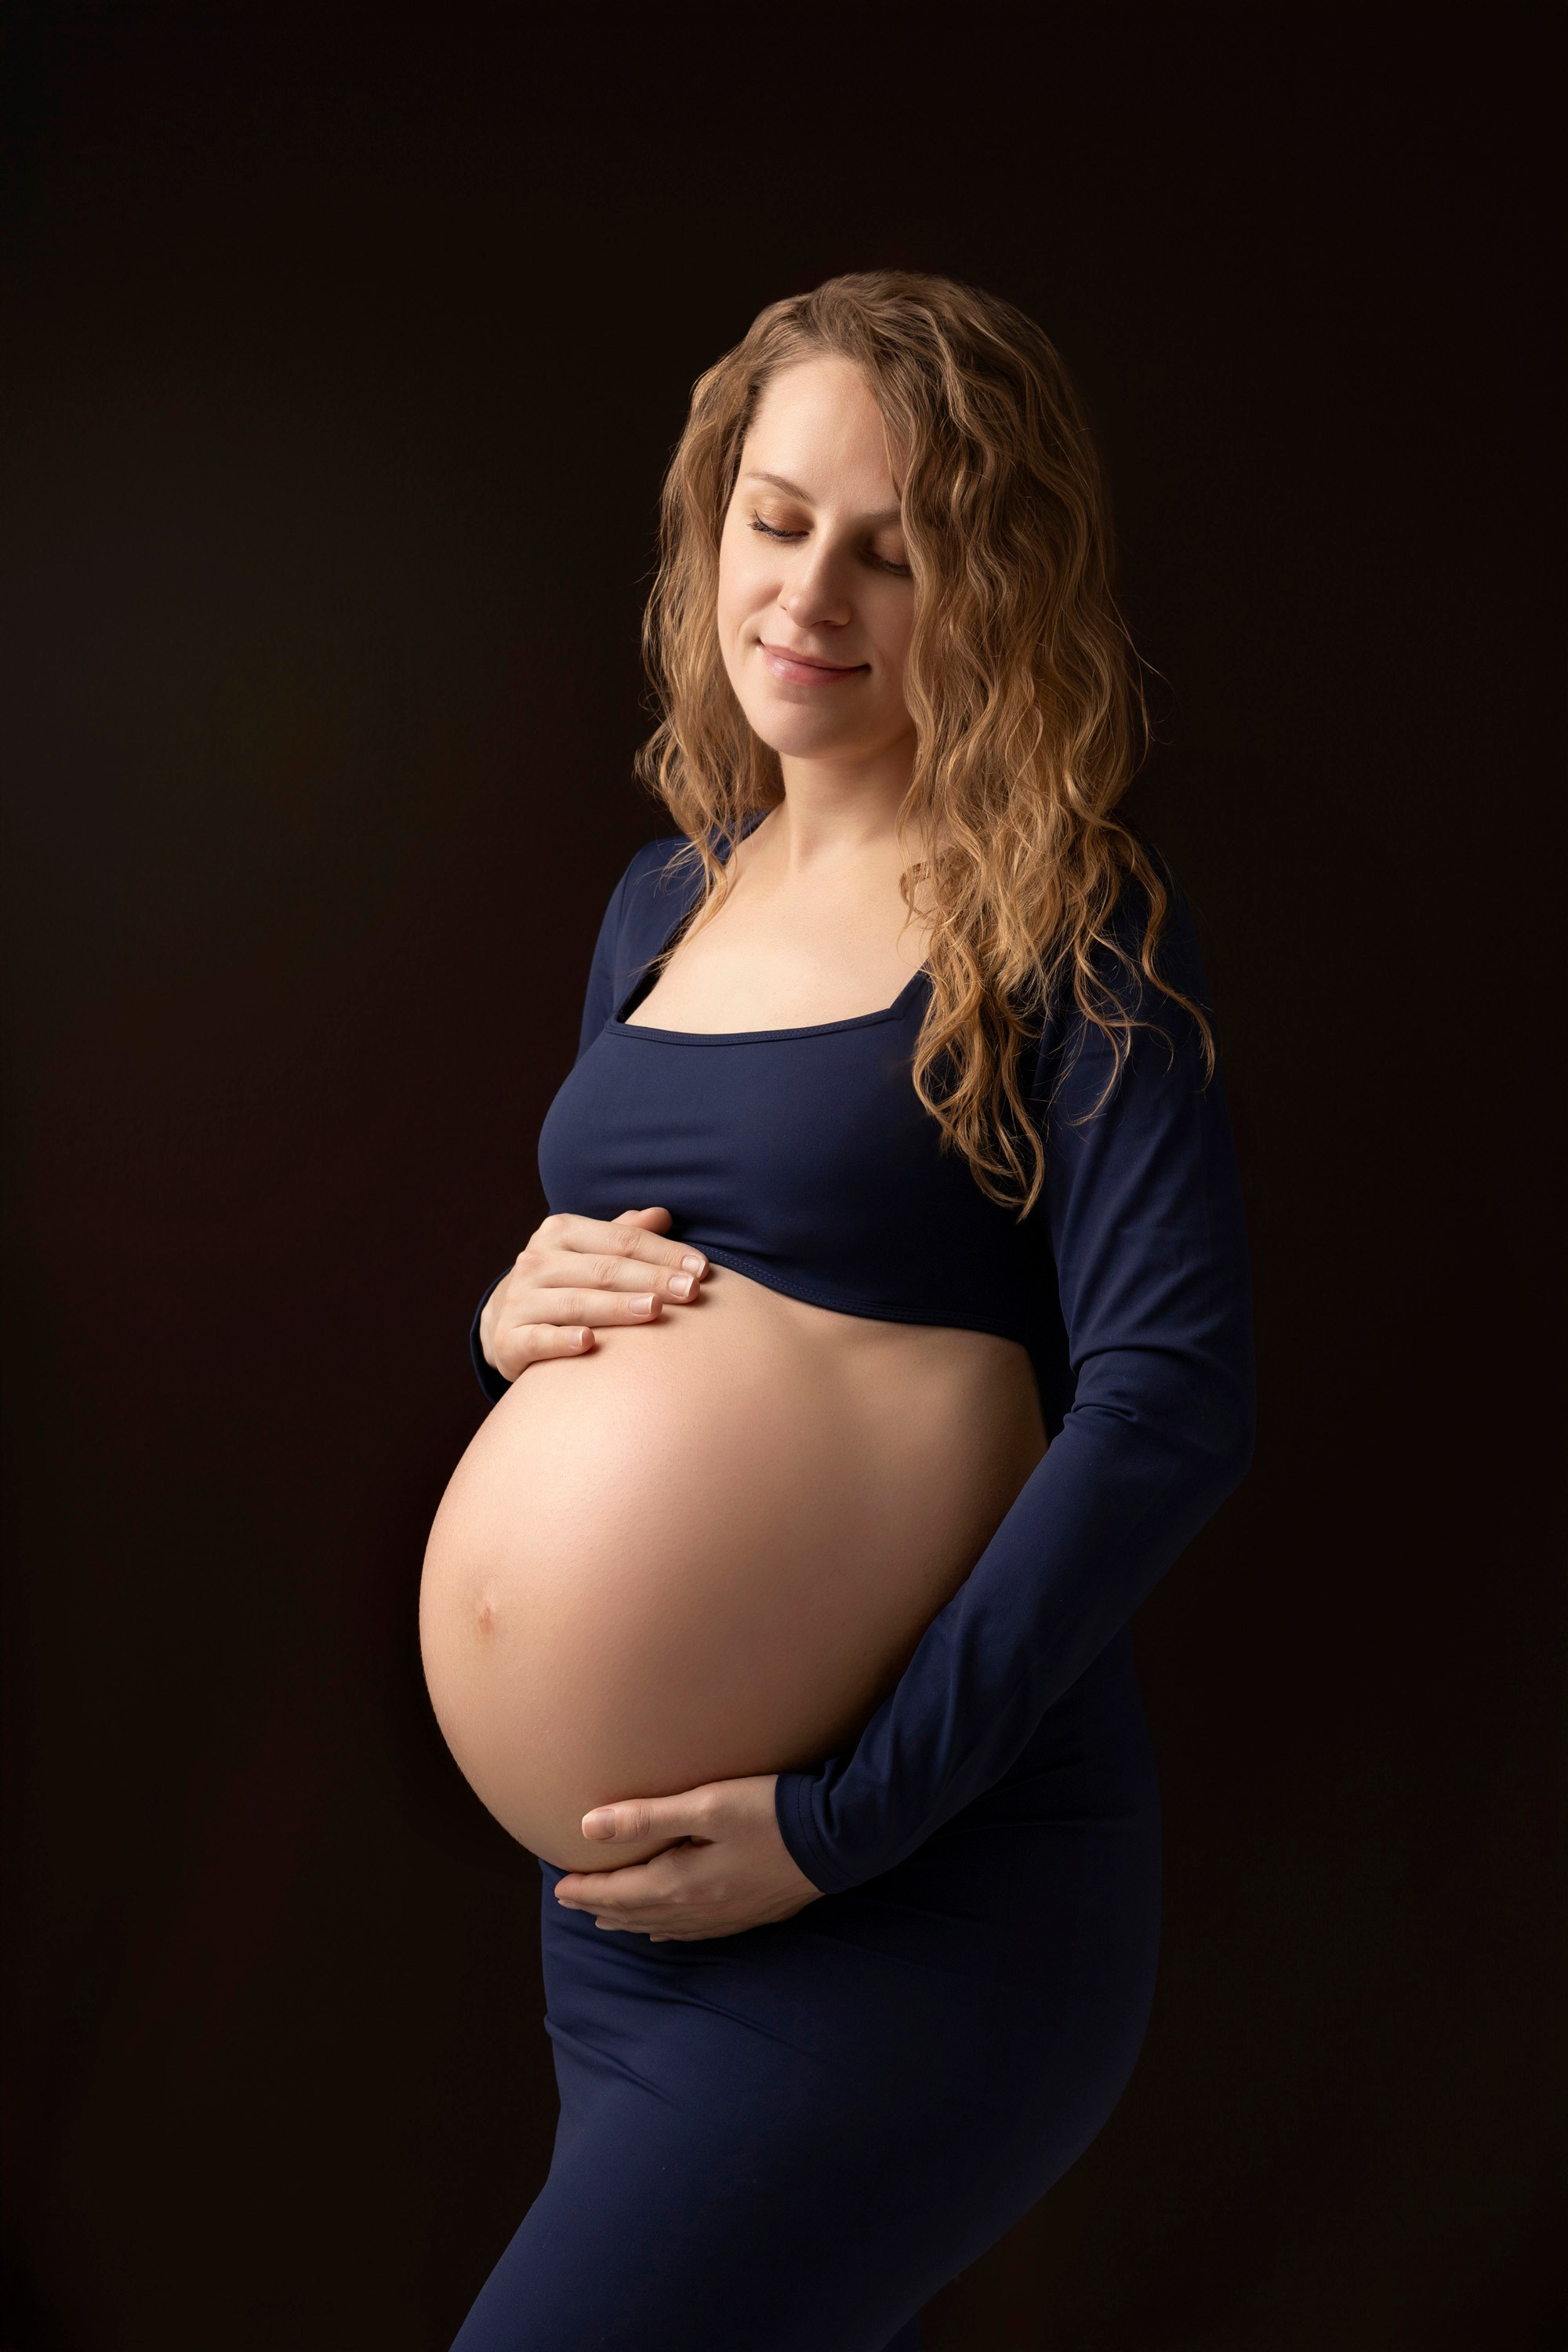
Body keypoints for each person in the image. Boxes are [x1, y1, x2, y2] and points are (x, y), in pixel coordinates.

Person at [445, 270, 1254, 2352]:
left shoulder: (1065, 926)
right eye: (778, 515)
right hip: (636, 1928)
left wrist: (842, 1821)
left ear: (990, 590)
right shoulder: (667, 896)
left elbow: (1169, 1401)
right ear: (712, 519)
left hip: (912, 1888)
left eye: (895, 548)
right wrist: (517, 1314)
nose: (813, 587)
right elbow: (670, 1265)